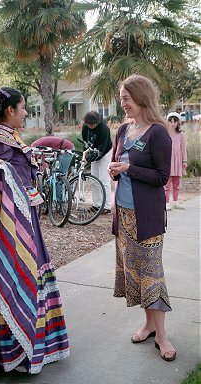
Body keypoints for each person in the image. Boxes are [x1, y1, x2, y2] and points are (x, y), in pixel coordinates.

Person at [0, 87, 70, 376]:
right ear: (10, 111)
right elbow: (1, 183)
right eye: (23, 108)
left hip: (22, 222)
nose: (26, 113)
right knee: (16, 275)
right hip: (10, 229)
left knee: (29, 273)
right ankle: (14, 353)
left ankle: (23, 345)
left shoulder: (8, 140)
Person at [108, 75, 176, 362]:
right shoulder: (123, 130)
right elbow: (118, 165)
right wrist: (115, 171)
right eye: (121, 98)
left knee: (152, 275)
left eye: (127, 98)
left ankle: (162, 336)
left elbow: (161, 177)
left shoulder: (158, 133)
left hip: (146, 217)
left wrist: (128, 168)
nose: (122, 103)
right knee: (135, 274)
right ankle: (148, 325)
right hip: (123, 216)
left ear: (142, 97)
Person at [82, 111, 112, 214]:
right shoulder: (85, 127)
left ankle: (107, 206)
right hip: (94, 151)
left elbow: (103, 146)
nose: (91, 126)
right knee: (94, 179)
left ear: (97, 122)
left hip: (105, 152)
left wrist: (95, 156)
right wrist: (87, 154)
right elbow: (85, 141)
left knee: (104, 179)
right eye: (89, 124)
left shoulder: (104, 129)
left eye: (93, 124)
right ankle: (96, 204)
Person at [164, 112, 187, 210]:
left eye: (175, 121)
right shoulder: (165, 134)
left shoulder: (181, 135)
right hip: (168, 161)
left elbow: (183, 149)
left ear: (178, 123)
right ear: (168, 122)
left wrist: (184, 161)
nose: (172, 123)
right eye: (170, 121)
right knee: (167, 184)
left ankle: (176, 202)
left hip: (177, 161)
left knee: (176, 183)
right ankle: (166, 203)